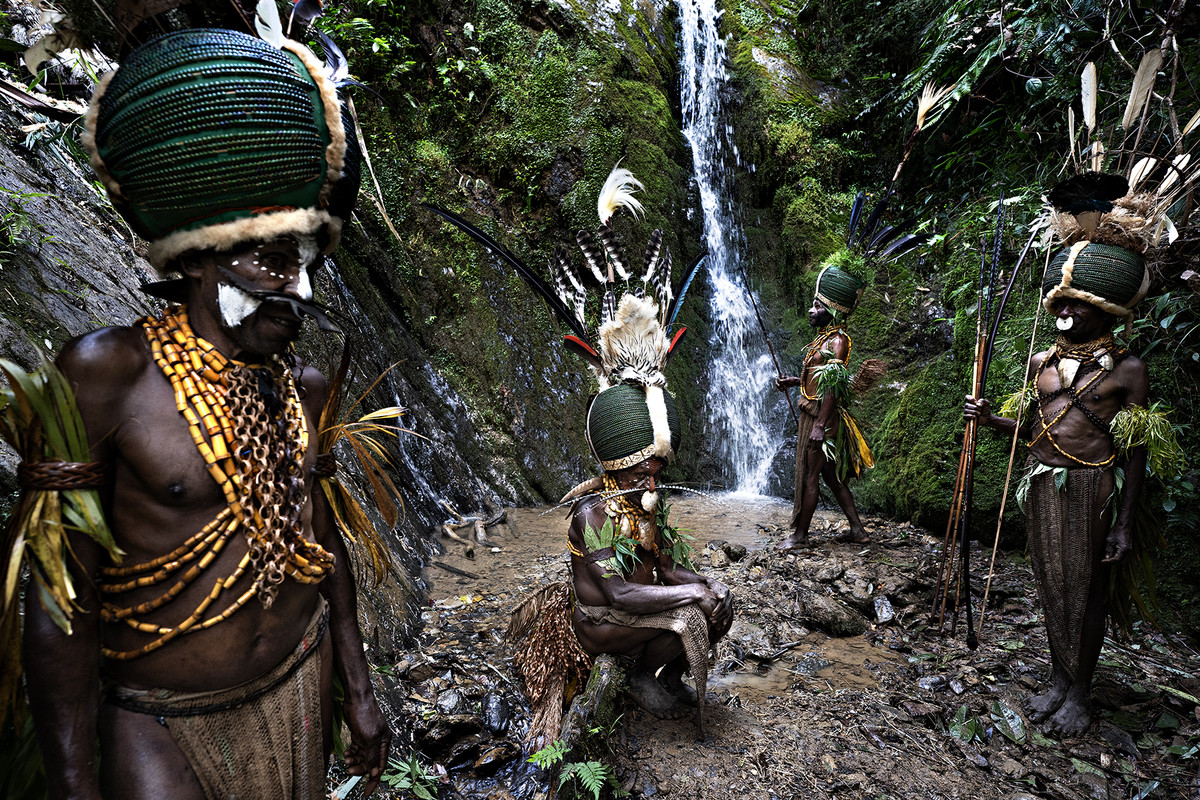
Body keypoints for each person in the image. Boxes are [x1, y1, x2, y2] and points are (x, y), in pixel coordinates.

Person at [20, 29, 390, 798]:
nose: (301, 292)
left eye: (307, 264)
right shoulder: (108, 375)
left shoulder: (303, 388)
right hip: (159, 722)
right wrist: (73, 783)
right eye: (273, 263)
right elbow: (61, 599)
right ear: (194, 259)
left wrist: (356, 689)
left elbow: (323, 545)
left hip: (298, 686)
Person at [965, 236, 1150, 737]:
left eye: (1076, 304)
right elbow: (1034, 429)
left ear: (1105, 312)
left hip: (1092, 487)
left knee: (1086, 589)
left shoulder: (1128, 369)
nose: (1064, 312)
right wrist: (990, 419)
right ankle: (1058, 678)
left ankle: (1080, 694)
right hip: (1042, 482)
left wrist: (1124, 524)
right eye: (1061, 303)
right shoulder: (1042, 362)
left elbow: (1135, 450)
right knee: (1051, 583)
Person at [775, 265, 875, 549]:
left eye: (818, 306)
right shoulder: (824, 339)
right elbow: (819, 379)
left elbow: (832, 387)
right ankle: (857, 530)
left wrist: (820, 425)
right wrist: (795, 382)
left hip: (823, 417)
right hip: (814, 411)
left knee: (810, 475)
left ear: (832, 310)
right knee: (831, 476)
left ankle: (800, 536)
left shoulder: (838, 342)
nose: (812, 310)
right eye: (813, 304)